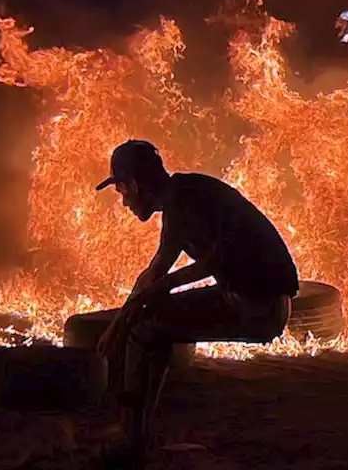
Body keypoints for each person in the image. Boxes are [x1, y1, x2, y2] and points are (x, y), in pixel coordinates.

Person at [94, 140, 299, 463]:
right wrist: (118, 322)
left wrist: (151, 297)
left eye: (121, 191)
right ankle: (136, 431)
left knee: (146, 326)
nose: (124, 202)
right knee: (148, 323)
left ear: (134, 183)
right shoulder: (180, 200)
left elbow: (214, 261)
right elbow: (155, 271)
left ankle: (129, 433)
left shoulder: (188, 199)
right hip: (249, 301)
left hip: (260, 308)